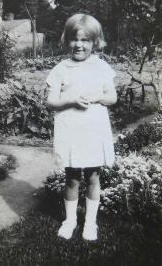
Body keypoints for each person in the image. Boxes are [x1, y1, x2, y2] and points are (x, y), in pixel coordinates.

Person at [45, 13, 117, 241]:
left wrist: (97, 96)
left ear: (95, 42)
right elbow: (50, 102)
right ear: (67, 40)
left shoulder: (102, 67)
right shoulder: (61, 69)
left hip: (94, 129)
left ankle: (90, 223)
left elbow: (112, 97)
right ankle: (70, 220)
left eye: (86, 40)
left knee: (93, 177)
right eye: (75, 39)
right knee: (72, 177)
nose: (79, 45)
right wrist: (71, 100)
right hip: (70, 129)